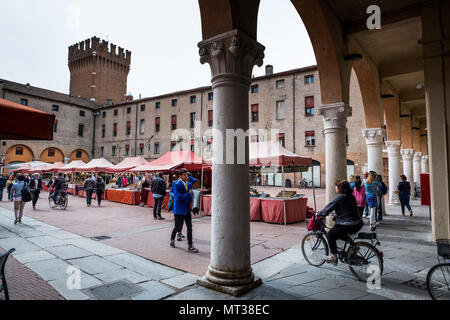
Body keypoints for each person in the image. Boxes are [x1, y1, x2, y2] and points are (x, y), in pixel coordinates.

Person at [317, 180, 363, 265]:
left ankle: (334, 258)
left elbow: (328, 208)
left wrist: (319, 214)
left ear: (339, 188)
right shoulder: (351, 196)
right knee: (341, 233)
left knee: (330, 235)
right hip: (358, 223)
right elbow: (347, 210)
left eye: (336, 187)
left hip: (347, 224)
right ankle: (354, 247)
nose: (335, 188)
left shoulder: (339, 197)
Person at [170, 168, 199, 253]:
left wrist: (194, 198)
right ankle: (172, 240)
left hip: (186, 209)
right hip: (178, 209)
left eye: (187, 175)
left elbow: (190, 196)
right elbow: (178, 197)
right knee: (177, 227)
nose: (186, 176)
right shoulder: (176, 184)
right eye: (184, 175)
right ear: (180, 176)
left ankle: (190, 245)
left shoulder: (189, 184)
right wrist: (188, 194)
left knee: (189, 227)